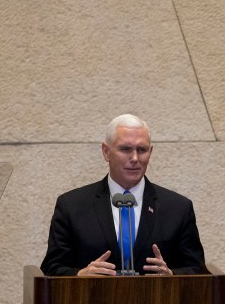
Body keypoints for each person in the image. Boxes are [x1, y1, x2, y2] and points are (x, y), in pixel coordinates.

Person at [40, 114, 205, 276]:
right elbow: (51, 267)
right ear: (106, 152)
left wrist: (171, 277)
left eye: (142, 150)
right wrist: (80, 275)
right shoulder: (71, 206)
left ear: (150, 152)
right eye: (125, 149)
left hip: (156, 302)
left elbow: (197, 270)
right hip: (92, 301)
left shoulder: (178, 208)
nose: (134, 158)